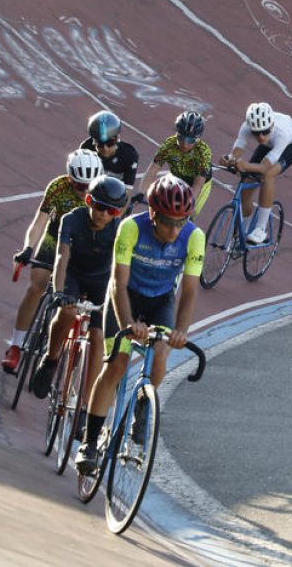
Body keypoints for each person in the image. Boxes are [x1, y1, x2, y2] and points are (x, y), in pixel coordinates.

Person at [75, 175, 205, 474]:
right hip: (126, 297)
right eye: (168, 222)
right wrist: (128, 324)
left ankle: (144, 403)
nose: (174, 230)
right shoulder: (131, 228)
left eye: (181, 222)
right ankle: (90, 442)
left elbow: (188, 289)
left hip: (160, 300)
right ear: (153, 215)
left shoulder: (194, 237)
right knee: (117, 364)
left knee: (160, 356)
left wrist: (180, 332)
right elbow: (117, 284)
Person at [3, 149, 104, 373]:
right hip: (54, 237)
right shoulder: (58, 187)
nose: (84, 191)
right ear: (69, 178)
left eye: (89, 186)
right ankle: (16, 346)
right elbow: (39, 222)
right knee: (36, 284)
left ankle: (62, 345)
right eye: (79, 186)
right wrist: (28, 248)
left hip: (82, 247)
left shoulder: (102, 193)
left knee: (77, 298)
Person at [28, 175, 127, 400]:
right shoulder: (72, 219)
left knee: (98, 337)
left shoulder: (119, 230)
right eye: (101, 207)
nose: (104, 215)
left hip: (101, 280)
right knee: (68, 311)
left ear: (118, 213)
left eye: (112, 212)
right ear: (89, 201)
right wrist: (59, 291)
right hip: (74, 274)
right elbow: (62, 255)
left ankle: (86, 404)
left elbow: (121, 267)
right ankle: (51, 360)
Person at [218, 101, 292, 244]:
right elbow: (236, 152)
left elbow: (264, 167)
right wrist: (229, 159)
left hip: (291, 145)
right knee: (247, 184)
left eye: (265, 132)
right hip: (269, 146)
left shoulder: (282, 132)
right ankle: (242, 232)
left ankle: (260, 229)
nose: (261, 137)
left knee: (268, 175)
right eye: (257, 134)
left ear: (271, 126)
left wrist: (244, 165)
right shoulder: (246, 127)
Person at [139, 110, 214, 219]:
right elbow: (152, 171)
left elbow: (198, 184)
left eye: (191, 140)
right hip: (177, 177)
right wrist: (141, 194)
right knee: (158, 206)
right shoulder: (169, 145)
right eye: (181, 138)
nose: (185, 144)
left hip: (197, 183)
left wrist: (187, 206)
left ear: (198, 139)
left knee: (186, 217)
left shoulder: (203, 152)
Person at [80, 109, 141, 197]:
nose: (105, 148)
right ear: (93, 141)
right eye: (100, 144)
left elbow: (127, 192)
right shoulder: (86, 150)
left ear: (117, 138)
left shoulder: (129, 155)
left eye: (109, 143)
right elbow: (82, 186)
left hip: (115, 196)